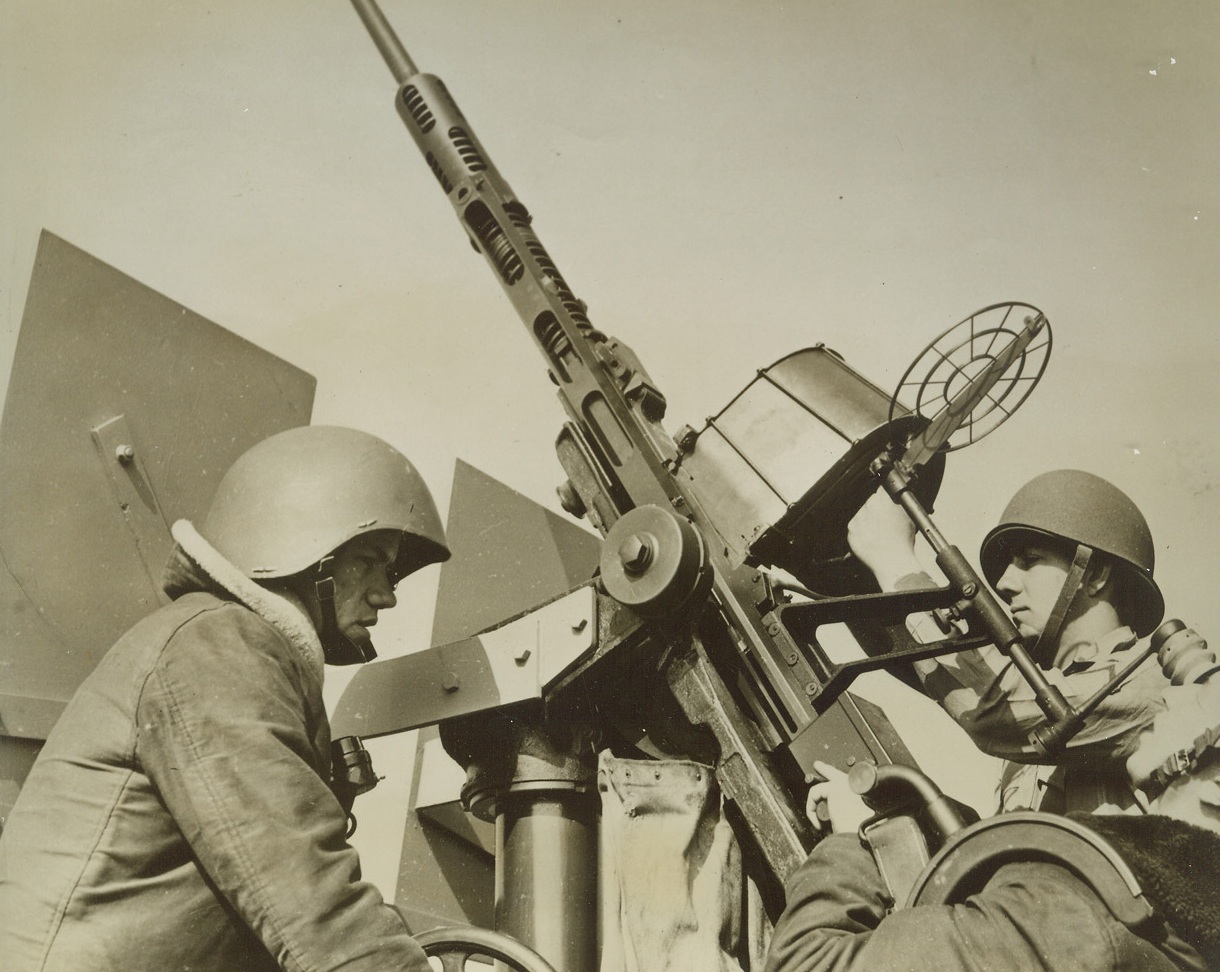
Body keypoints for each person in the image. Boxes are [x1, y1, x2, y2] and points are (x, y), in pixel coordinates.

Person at [0, 426, 450, 972]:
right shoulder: (220, 645)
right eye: (371, 560)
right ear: (307, 548)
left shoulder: (231, 647)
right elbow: (306, 893)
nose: (387, 593)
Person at [847, 469, 1177, 814]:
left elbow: (999, 710)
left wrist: (895, 560)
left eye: (1030, 560)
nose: (1005, 583)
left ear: (1094, 575)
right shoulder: (1044, 698)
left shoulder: (1153, 682)